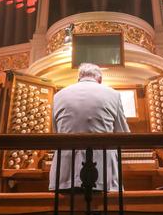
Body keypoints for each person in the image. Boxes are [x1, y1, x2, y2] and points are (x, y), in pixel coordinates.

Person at [49, 63, 130, 191]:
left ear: (78, 78)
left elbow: (56, 132)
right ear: (100, 80)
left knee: (67, 209)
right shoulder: (113, 94)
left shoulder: (58, 96)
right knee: (106, 207)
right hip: (101, 173)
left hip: (65, 172)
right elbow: (124, 135)